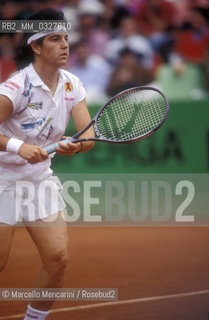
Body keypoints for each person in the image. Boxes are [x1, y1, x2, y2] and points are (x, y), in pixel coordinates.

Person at [0, 7, 94, 320]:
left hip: (38, 181)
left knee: (58, 259)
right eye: (54, 39)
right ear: (36, 47)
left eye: (66, 38)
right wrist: (18, 146)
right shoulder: (16, 88)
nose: (65, 45)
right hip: (1, 180)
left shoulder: (72, 85)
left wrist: (74, 146)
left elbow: (88, 138)